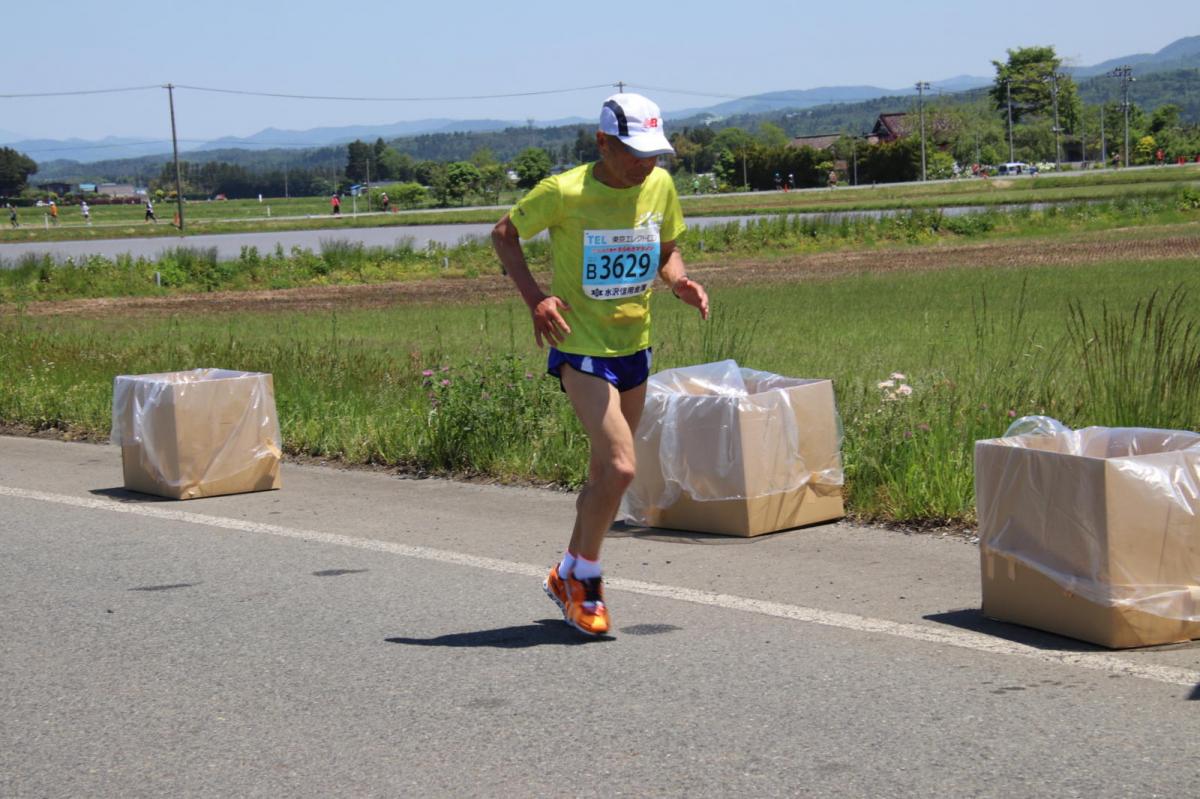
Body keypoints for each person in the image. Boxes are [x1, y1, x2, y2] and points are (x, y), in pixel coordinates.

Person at [492, 93, 709, 637]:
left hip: (635, 345)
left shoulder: (658, 185)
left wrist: (678, 280)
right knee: (620, 468)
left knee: (602, 476)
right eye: (634, 152)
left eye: (654, 153)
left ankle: (566, 570)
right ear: (603, 143)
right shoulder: (564, 191)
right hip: (581, 346)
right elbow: (504, 233)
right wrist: (535, 298)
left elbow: (665, 248)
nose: (646, 164)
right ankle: (586, 581)